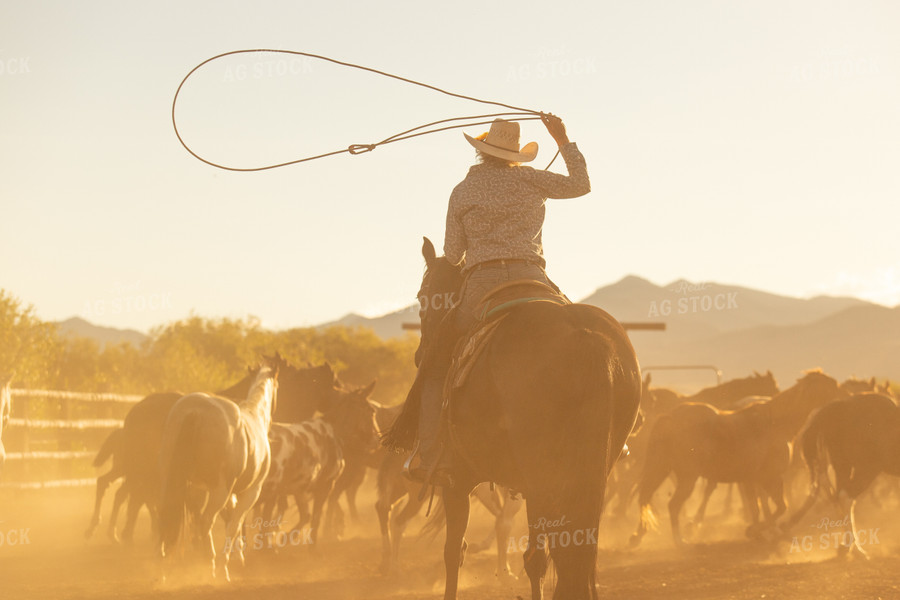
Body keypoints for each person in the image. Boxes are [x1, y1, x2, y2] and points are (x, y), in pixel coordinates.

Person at [408, 114, 591, 486]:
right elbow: (581, 185)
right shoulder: (531, 178)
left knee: (437, 360)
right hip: (533, 278)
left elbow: (454, 255)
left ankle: (429, 453)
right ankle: (606, 435)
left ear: (482, 151)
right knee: (581, 334)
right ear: (514, 155)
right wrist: (563, 138)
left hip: (481, 286)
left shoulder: (462, 191)